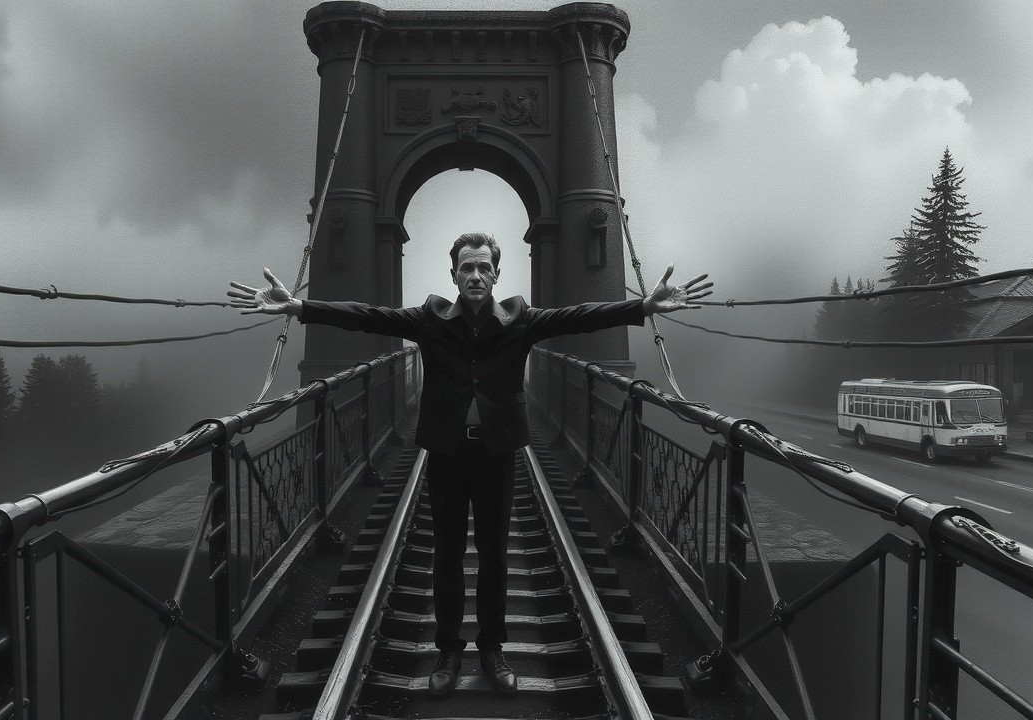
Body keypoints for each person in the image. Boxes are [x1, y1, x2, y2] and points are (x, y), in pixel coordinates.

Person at [228, 232, 711, 698]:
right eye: (467, 267)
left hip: (498, 453)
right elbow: (369, 317)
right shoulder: (431, 318)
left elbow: (579, 316)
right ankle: (448, 653)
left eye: (484, 267)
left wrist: (644, 308)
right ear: (454, 275)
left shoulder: (521, 318)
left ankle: (493, 652)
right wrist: (299, 307)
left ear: (497, 273)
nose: (476, 274)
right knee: (448, 555)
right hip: (447, 452)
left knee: (496, 557)